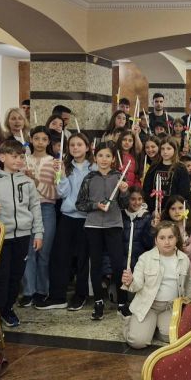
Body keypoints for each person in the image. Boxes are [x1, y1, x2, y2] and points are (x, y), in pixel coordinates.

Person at [0, 139, 43, 335]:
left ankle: (7, 309)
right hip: (1, 238)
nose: (18, 160)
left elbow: (35, 208)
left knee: (16, 277)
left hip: (23, 236)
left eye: (21, 157)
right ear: (2, 157)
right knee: (0, 278)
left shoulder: (27, 182)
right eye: (14, 156)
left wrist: (38, 232)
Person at [35, 132, 94, 311]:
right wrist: (60, 175)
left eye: (79, 144)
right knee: (59, 257)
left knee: (82, 259)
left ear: (87, 147)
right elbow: (62, 193)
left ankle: (80, 295)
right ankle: (57, 296)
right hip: (68, 217)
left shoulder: (95, 168)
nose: (75, 148)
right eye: (72, 145)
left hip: (87, 218)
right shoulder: (65, 167)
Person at [75, 143, 131, 320]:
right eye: (100, 155)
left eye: (108, 156)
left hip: (114, 225)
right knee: (96, 265)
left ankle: (122, 302)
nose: (104, 159)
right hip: (93, 227)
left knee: (118, 264)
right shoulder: (89, 178)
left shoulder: (119, 177)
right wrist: (95, 205)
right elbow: (80, 204)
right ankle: (98, 302)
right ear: (95, 158)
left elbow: (125, 205)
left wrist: (124, 192)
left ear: (113, 158)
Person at [121, 221, 191, 349]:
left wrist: (189, 308)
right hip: (148, 306)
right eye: (162, 238)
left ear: (177, 238)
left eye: (170, 237)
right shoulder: (145, 258)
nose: (167, 242)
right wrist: (130, 281)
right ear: (156, 240)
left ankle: (153, 328)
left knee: (172, 338)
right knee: (138, 342)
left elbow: (187, 286)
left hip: (170, 308)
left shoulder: (184, 259)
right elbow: (137, 285)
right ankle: (130, 324)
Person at [18, 126, 60, 307]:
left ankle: (42, 290)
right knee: (28, 252)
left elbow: (56, 192)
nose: (40, 142)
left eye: (44, 139)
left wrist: (36, 182)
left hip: (46, 208)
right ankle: (28, 291)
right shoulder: (23, 161)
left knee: (44, 252)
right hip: (26, 209)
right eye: (37, 138)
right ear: (31, 140)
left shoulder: (54, 163)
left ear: (49, 141)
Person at [143, 138, 191, 213]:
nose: (165, 152)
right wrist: (152, 208)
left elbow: (184, 192)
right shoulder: (154, 167)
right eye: (162, 149)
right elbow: (146, 189)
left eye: (169, 149)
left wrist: (175, 209)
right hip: (154, 209)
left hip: (174, 210)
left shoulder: (181, 168)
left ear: (175, 150)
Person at [122, 187, 154, 270]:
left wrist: (153, 229)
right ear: (127, 200)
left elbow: (149, 244)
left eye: (140, 199)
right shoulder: (121, 216)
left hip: (140, 266)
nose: (137, 202)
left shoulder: (147, 217)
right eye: (133, 199)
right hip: (121, 266)